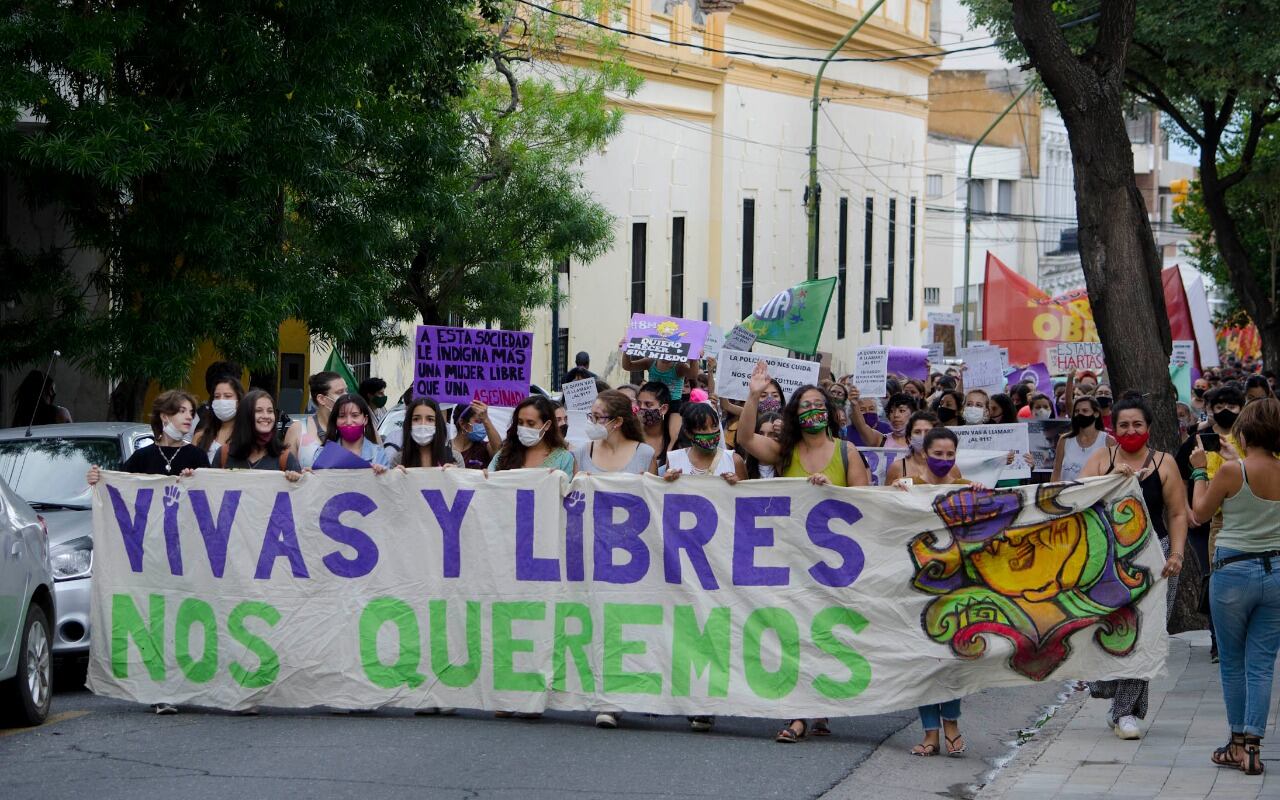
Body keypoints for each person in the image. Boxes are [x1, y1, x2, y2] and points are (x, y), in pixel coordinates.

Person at [737, 361, 869, 743]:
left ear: (829, 412)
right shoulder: (784, 452)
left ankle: (818, 703)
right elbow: (746, 438)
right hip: (791, 560)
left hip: (834, 565)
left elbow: (867, 506)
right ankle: (798, 715)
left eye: (818, 404)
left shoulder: (847, 453)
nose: (811, 411)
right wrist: (754, 395)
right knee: (792, 633)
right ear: (793, 416)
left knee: (823, 635)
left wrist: (832, 489)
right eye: (803, 406)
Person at [86, 389, 207, 715]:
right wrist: (98, 479)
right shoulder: (142, 458)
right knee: (158, 617)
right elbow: (117, 491)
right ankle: (161, 689)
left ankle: (190, 685)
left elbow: (210, 502)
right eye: (181, 411)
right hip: (150, 556)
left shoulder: (197, 458)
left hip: (187, 555)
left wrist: (198, 482)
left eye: (190, 411)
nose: (187, 417)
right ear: (164, 417)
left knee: (185, 617)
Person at [1080, 396, 1187, 740]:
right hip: (1110, 561)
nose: (1131, 431)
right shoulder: (1102, 459)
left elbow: (1176, 513)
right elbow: (1076, 500)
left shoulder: (1164, 463)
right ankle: (1106, 687)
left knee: (1148, 636)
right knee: (1114, 631)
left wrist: (1178, 555)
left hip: (1158, 558)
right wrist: (1110, 478)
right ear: (1113, 428)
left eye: (1137, 424)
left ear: (1148, 428)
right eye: (1124, 425)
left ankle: (1126, 712)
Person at [1188, 398, 1280, 776]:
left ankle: (1236, 745)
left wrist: (1198, 473)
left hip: (1233, 572)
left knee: (1232, 663)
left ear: (1244, 430)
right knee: (1261, 665)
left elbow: (1198, 514)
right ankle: (1255, 749)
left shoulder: (1229, 471)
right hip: (1276, 571)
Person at [893, 427, 976, 757]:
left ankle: (952, 724)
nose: (943, 459)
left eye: (949, 455)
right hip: (915, 583)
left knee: (951, 658)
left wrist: (980, 494)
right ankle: (930, 734)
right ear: (924, 453)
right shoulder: (906, 484)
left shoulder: (963, 488)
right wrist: (894, 492)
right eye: (937, 454)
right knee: (923, 659)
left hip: (956, 583)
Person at [574, 390, 656, 481]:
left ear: (618, 421)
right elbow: (574, 492)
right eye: (591, 416)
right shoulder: (582, 453)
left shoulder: (645, 454)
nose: (591, 422)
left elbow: (654, 493)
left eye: (597, 417)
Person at [217, 390, 303, 476]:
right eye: (258, 411)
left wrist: (301, 478)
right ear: (245, 416)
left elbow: (301, 487)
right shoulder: (224, 454)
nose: (266, 416)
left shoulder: (285, 458)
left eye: (270, 411)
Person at [488, 395, 575, 475]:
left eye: (531, 423)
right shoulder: (504, 454)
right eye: (520, 422)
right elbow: (489, 484)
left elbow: (567, 489)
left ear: (547, 425)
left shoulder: (563, 459)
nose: (524, 427)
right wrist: (484, 477)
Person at [283, 371, 347, 469]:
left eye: (346, 391)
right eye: (339, 392)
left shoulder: (354, 425)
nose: (346, 396)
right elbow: (286, 473)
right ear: (321, 399)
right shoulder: (298, 429)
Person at [312, 394, 391, 472]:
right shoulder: (322, 453)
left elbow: (386, 482)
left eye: (355, 415)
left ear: (365, 420)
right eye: (342, 416)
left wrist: (382, 473)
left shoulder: (378, 453)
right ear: (335, 420)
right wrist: (309, 474)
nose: (348, 422)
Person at [1052, 396, 1113, 482]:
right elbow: (1056, 472)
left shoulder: (1108, 441)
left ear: (1096, 413)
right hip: (1066, 493)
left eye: (1085, 411)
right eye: (1077, 411)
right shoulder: (1064, 440)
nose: (1080, 414)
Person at [621, 340, 698, 407]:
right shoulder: (650, 362)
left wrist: (694, 358)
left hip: (673, 403)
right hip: (651, 402)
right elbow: (628, 366)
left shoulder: (679, 366)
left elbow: (693, 375)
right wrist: (626, 350)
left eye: (669, 351)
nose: (665, 354)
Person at [885, 411, 947, 484]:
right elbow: (887, 494)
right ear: (909, 438)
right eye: (917, 432)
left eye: (928, 431)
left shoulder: (950, 468)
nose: (923, 436)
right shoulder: (896, 467)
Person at [392, 397, 454, 469]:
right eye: (416, 419)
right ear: (409, 423)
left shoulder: (454, 458)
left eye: (430, 419)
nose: (423, 424)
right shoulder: (398, 459)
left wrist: (456, 475)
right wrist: (394, 477)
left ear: (438, 424)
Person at [194, 375, 244, 463]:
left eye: (227, 396)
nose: (221, 400)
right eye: (217, 396)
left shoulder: (247, 436)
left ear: (239, 401)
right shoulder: (200, 437)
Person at [450, 401, 503, 469]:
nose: (483, 426)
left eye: (483, 422)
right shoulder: (445, 449)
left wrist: (486, 420)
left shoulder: (484, 448)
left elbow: (499, 452)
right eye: (478, 422)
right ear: (462, 424)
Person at [636, 381, 675, 465]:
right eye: (639, 404)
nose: (641, 408)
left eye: (648, 404)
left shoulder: (673, 437)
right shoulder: (631, 436)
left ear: (663, 409)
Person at [741, 412, 782, 479]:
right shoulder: (745, 465)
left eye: (771, 434)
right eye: (761, 433)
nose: (765, 438)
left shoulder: (787, 464)